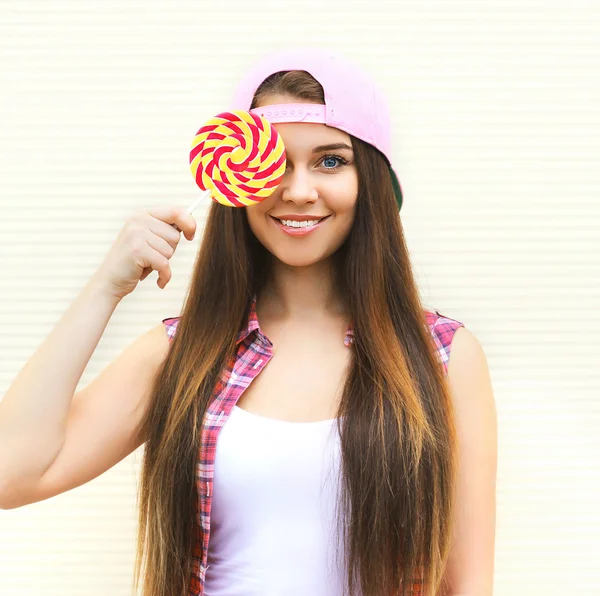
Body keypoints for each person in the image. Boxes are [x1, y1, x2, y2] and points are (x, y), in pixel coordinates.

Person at [0, 48, 497, 596]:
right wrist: (105, 289)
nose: (299, 190)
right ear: (235, 178)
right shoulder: (182, 354)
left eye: (331, 161)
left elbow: (468, 584)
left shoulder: (441, 355)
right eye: (276, 163)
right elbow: (11, 473)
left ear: (372, 181)